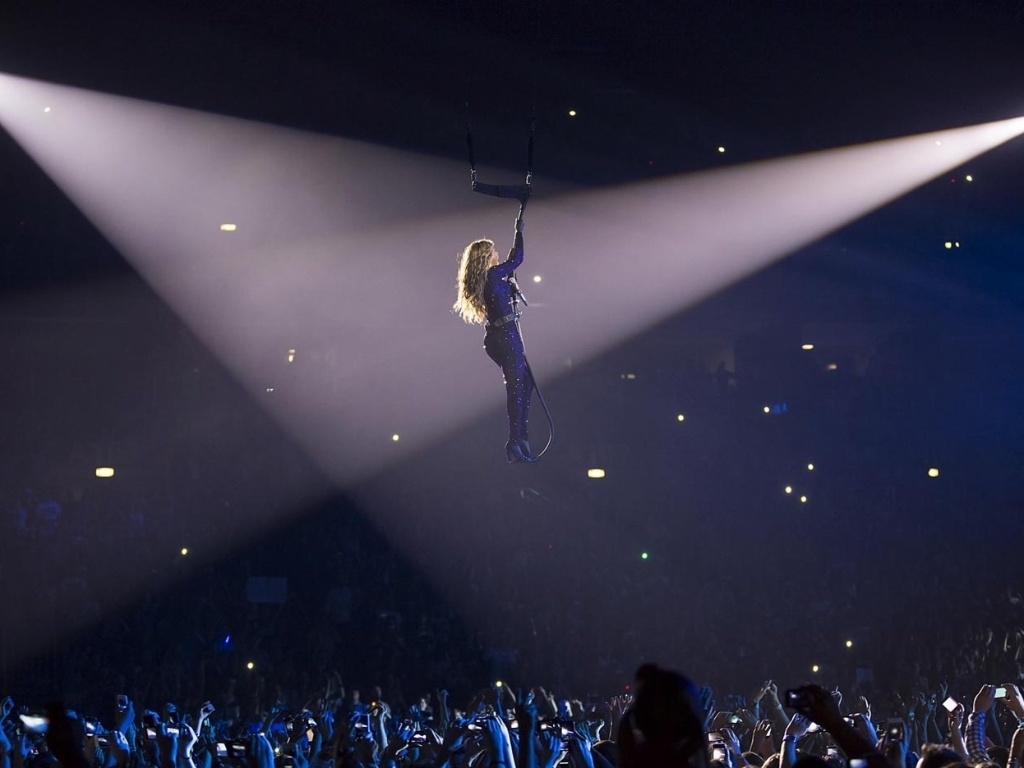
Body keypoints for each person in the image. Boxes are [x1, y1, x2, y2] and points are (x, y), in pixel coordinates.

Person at [453, 212, 535, 463]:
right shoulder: (492, 275)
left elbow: (511, 264)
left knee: (525, 383)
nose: (498, 253)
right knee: (517, 387)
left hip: (499, 336)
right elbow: (518, 258)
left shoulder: (492, 276)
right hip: (505, 336)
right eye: (494, 250)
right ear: (487, 256)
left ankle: (520, 435)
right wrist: (519, 231)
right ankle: (515, 440)